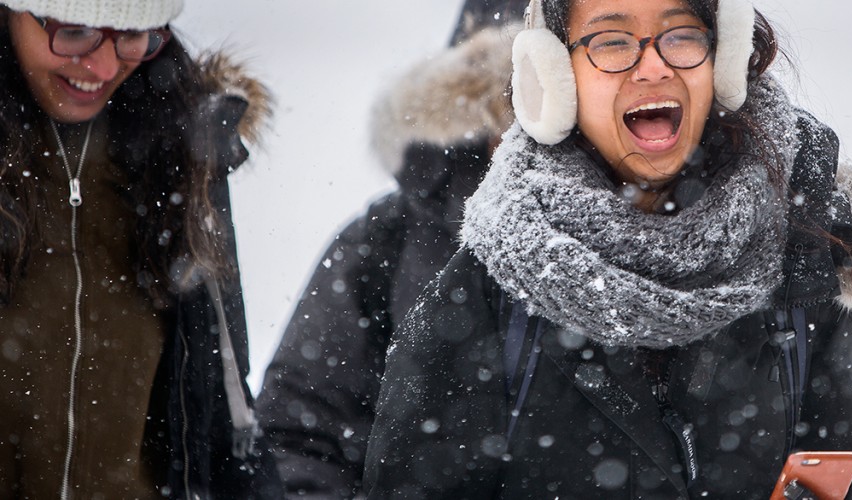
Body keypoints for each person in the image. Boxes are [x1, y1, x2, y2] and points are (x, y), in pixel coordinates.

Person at [364, 0, 852, 498]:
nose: (654, 67)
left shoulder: (800, 249)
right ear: (555, 77)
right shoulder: (488, 289)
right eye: (611, 41)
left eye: (681, 35)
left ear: (722, 62)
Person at [0, 1, 281, 498]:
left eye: (135, 34)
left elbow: (219, 420)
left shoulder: (182, 153)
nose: (106, 67)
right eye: (77, 30)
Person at [255, 0, 527, 497]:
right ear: (472, 114)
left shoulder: (667, 240)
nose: (533, 130)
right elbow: (297, 435)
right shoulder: (385, 241)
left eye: (559, 103)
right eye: (519, 101)